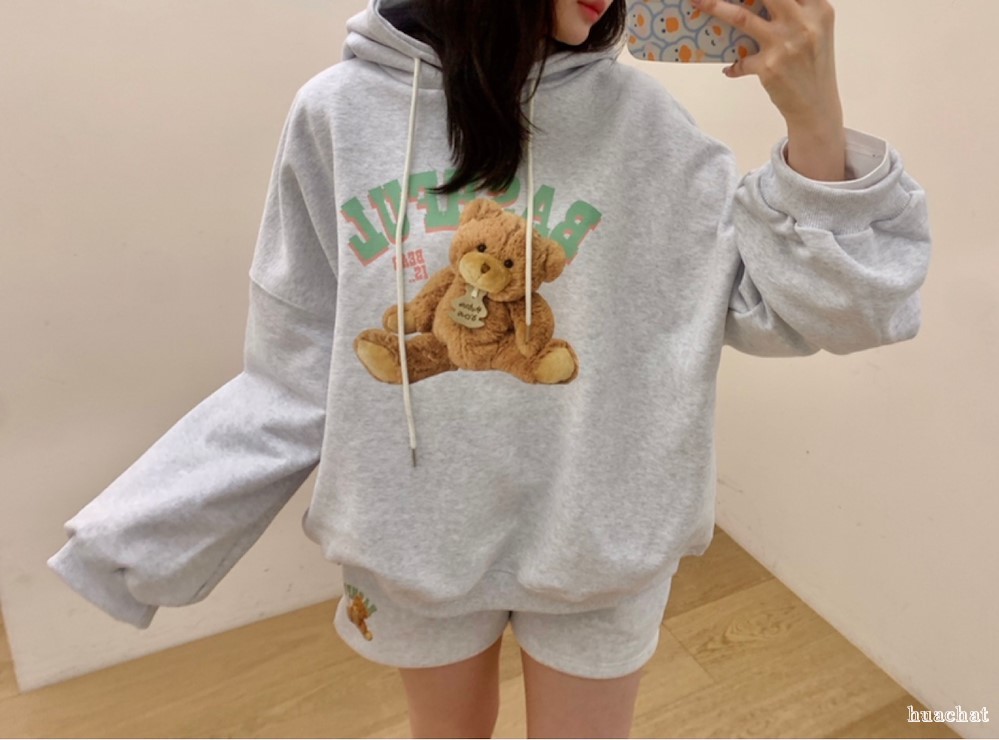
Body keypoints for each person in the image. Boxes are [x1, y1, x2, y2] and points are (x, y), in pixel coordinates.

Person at [47, 0, 933, 736]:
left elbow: (815, 313)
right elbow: (296, 369)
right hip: (413, 540)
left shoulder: (648, 125)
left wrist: (813, 117)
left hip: (599, 541)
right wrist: (144, 536)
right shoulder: (338, 115)